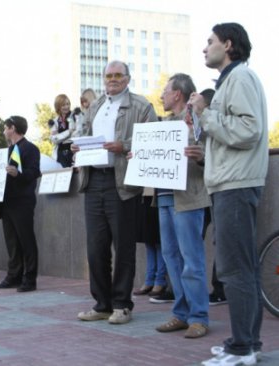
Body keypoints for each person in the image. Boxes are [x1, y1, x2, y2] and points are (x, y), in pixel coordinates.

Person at [188, 23, 268, 366]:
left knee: (236, 269)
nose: (205, 48)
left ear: (229, 44)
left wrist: (205, 115)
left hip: (236, 186)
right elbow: (232, 137)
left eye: (211, 42)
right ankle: (245, 342)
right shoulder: (230, 81)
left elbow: (249, 130)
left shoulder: (240, 79)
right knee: (240, 268)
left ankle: (243, 348)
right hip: (230, 183)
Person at [74, 60, 157, 324]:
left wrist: (124, 145)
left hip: (122, 182)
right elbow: (84, 133)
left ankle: (122, 304)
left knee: (123, 246)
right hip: (93, 180)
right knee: (96, 247)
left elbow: (153, 139)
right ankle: (102, 304)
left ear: (128, 78)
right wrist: (78, 146)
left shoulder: (141, 106)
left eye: (118, 74)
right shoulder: (96, 105)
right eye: (108, 75)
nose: (112, 79)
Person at [154, 73, 211, 339]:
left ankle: (199, 317)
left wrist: (201, 157)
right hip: (164, 196)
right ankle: (181, 313)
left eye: (165, 91)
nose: (162, 95)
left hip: (188, 197)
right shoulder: (162, 124)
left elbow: (209, 153)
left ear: (177, 94)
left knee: (191, 259)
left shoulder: (194, 121)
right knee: (172, 259)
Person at [0, 116, 41, 292]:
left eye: (5, 128)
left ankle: (30, 279)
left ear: (13, 128)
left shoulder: (30, 148)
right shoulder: (7, 151)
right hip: (8, 202)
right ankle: (13, 276)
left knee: (26, 240)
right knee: (12, 241)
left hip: (23, 202)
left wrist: (18, 175)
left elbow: (35, 172)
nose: (4, 131)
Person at [200, 88, 227, 307]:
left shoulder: (213, 120)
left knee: (223, 239)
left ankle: (220, 288)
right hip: (208, 187)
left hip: (219, 186)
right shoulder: (202, 123)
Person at [133, 188, 167, 297]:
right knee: (149, 241)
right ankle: (149, 280)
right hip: (143, 194)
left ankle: (160, 280)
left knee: (158, 241)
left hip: (159, 194)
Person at [49, 94, 76, 167]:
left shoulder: (75, 118)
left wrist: (60, 136)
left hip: (73, 153)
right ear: (58, 106)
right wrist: (69, 132)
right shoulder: (54, 121)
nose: (66, 107)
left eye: (68, 104)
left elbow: (75, 135)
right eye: (63, 105)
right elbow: (54, 140)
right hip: (60, 155)